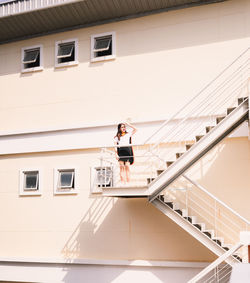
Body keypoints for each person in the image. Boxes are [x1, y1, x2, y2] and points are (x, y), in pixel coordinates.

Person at [114, 122, 137, 186]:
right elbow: (115, 146)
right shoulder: (117, 137)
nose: (124, 128)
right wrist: (116, 154)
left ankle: (128, 182)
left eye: (124, 127)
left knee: (127, 167)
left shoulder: (128, 134)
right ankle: (123, 182)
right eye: (122, 127)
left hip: (127, 151)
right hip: (121, 151)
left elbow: (136, 129)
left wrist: (129, 124)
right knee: (122, 168)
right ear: (119, 128)